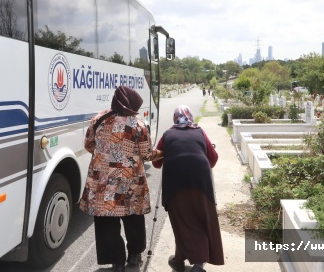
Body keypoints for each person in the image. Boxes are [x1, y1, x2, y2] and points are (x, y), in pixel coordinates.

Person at [79, 86, 153, 272]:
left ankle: (117, 263)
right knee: (134, 217)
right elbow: (147, 154)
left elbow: (89, 145)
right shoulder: (138, 124)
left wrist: (105, 157)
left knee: (106, 221)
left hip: (102, 181)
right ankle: (134, 257)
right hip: (131, 182)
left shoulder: (99, 119)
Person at [146, 105, 224, 272]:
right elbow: (213, 158)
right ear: (190, 117)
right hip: (200, 180)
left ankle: (196, 263)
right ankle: (180, 259)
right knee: (200, 218)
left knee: (181, 220)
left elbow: (156, 163)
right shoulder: (199, 132)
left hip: (175, 183)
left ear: (175, 119)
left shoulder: (167, 134)